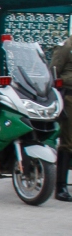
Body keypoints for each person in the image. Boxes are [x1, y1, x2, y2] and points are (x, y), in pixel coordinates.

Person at [50, 36, 72, 202]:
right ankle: (61, 186)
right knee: (68, 140)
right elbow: (54, 70)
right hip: (70, 97)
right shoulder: (66, 46)